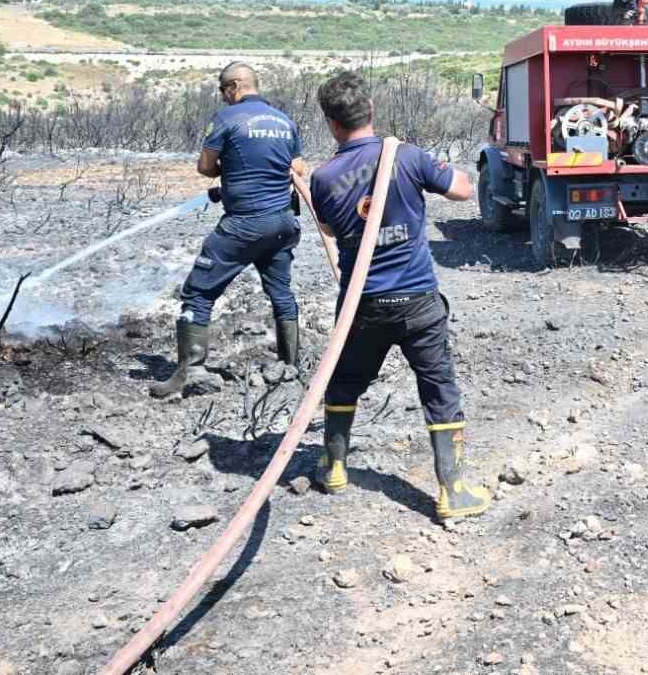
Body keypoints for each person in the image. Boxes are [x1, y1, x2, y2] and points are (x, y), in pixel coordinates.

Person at [307, 70, 490, 521]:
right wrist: (444, 169)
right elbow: (463, 190)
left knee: (345, 382)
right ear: (370, 110)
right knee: (438, 388)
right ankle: (452, 491)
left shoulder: (324, 176)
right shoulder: (406, 156)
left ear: (332, 123)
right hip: (418, 303)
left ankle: (333, 467)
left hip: (361, 306)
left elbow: (329, 229)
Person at [150, 62, 305, 399]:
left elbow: (206, 167)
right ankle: (291, 368)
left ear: (234, 86)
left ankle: (188, 374)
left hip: (243, 224)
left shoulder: (227, 119)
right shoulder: (284, 121)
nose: (223, 97)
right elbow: (297, 167)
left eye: (223, 90)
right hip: (282, 223)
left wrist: (230, 175)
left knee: (198, 293)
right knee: (281, 293)